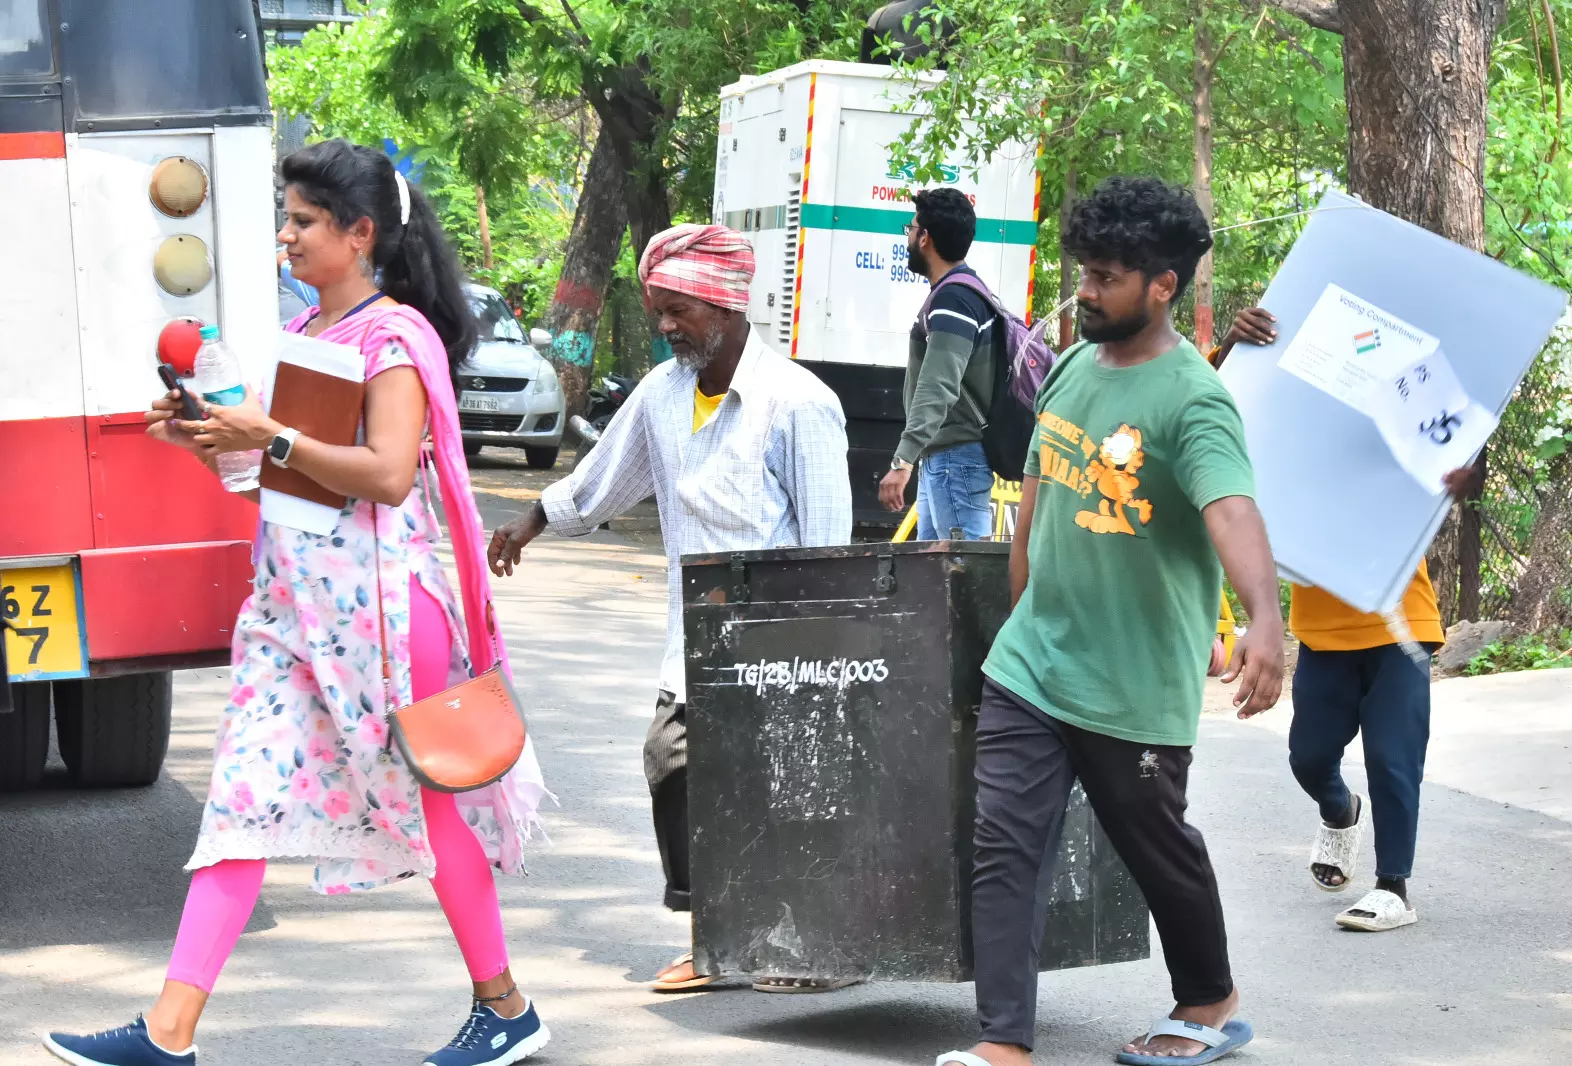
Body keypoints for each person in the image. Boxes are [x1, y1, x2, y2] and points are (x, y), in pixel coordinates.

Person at [44, 140, 550, 1066]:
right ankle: (170, 1031)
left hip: (389, 621)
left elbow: (389, 477)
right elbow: (284, 483)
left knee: (432, 809)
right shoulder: (315, 338)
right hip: (296, 616)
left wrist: (266, 431)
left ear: (360, 235)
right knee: (236, 805)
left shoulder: (394, 338)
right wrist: (207, 440)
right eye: (286, 218)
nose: (285, 236)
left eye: (303, 221)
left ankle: (506, 1007)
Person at [938, 178, 1285, 1066]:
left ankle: (1209, 1001)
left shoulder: (1193, 399)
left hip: (1131, 679)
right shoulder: (1070, 366)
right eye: (1084, 272)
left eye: (1104, 277)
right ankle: (1003, 1044)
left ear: (1162, 285)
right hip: (1033, 665)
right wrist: (1023, 615)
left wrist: (1264, 617)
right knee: (1004, 848)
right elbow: (1038, 499)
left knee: (1153, 842)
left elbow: (1232, 511)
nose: (1084, 291)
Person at [486, 223, 853, 994]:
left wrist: (822, 657)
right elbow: (605, 476)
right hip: (698, 637)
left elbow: (827, 546)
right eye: (658, 308)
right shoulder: (663, 393)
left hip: (783, 637)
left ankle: (813, 945)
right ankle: (719, 937)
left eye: (677, 310)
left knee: (779, 790)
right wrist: (532, 522)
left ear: (721, 307)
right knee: (674, 765)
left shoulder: (798, 404)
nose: (664, 325)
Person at [1214, 306, 1481, 933]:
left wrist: (1465, 479)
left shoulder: (1401, 417)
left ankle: (1394, 888)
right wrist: (1231, 347)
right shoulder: (1289, 433)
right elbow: (1213, 409)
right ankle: (1340, 811)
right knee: (1308, 756)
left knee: (1394, 757)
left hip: (1399, 622)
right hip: (1322, 628)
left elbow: (1458, 461)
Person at [878, 187, 998, 539]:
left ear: (925, 238)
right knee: (934, 579)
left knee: (963, 577)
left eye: (911, 229)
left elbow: (939, 383)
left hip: (956, 460)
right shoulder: (962, 290)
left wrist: (903, 460)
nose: (909, 237)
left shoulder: (954, 299)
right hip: (946, 458)